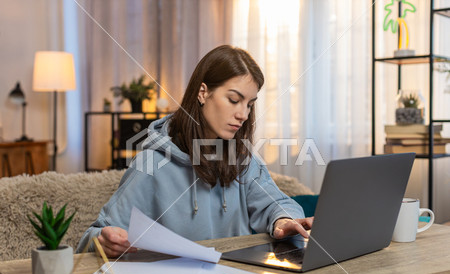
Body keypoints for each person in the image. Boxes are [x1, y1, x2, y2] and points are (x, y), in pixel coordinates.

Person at [78, 45, 313, 257]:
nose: (243, 114)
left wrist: (284, 220)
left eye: (249, 104)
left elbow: (276, 204)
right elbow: (93, 236)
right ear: (203, 93)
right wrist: (104, 241)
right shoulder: (152, 164)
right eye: (233, 100)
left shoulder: (241, 158)